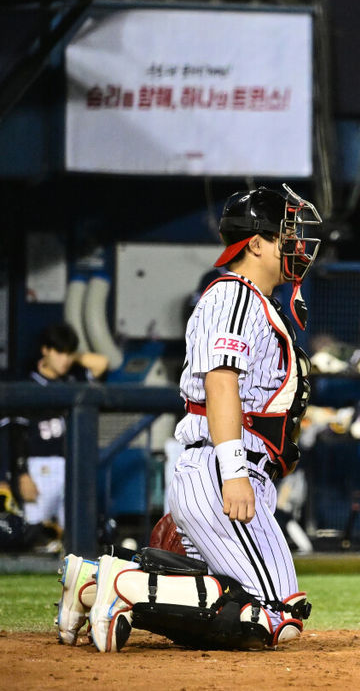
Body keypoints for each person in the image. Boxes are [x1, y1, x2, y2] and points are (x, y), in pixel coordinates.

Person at [54, 183, 320, 652]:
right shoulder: (234, 296)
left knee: (250, 603)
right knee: (276, 614)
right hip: (222, 473)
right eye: (285, 234)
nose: (295, 244)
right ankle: (125, 585)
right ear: (255, 243)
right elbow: (220, 384)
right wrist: (235, 470)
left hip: (229, 471)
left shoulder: (256, 302)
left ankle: (93, 582)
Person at [0, 323, 108, 549]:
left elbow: (101, 364)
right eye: (59, 352)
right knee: (31, 531)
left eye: (69, 354)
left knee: (77, 534)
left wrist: (71, 353)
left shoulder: (71, 381)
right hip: (40, 468)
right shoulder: (28, 384)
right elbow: (14, 434)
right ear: (45, 350)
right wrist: (20, 474)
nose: (65, 360)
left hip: (71, 466)